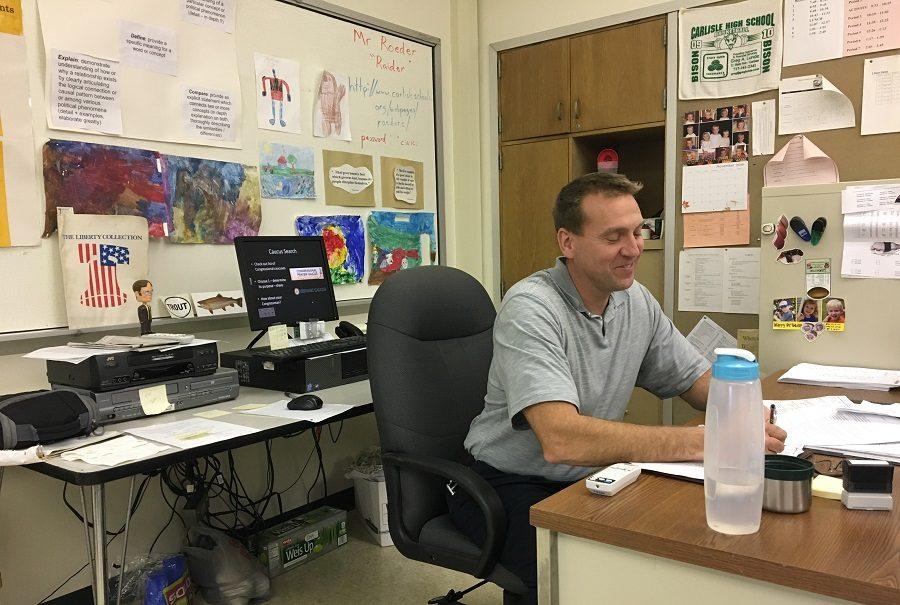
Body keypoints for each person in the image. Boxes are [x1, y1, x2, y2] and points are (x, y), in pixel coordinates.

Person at [449, 172, 787, 605]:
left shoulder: (635, 301)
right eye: (613, 237)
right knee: (577, 576)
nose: (633, 248)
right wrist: (704, 441)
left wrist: (742, 411)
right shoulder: (531, 308)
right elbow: (561, 439)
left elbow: (695, 380)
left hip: (589, 474)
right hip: (504, 482)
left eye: (638, 230)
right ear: (567, 243)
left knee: (661, 553)